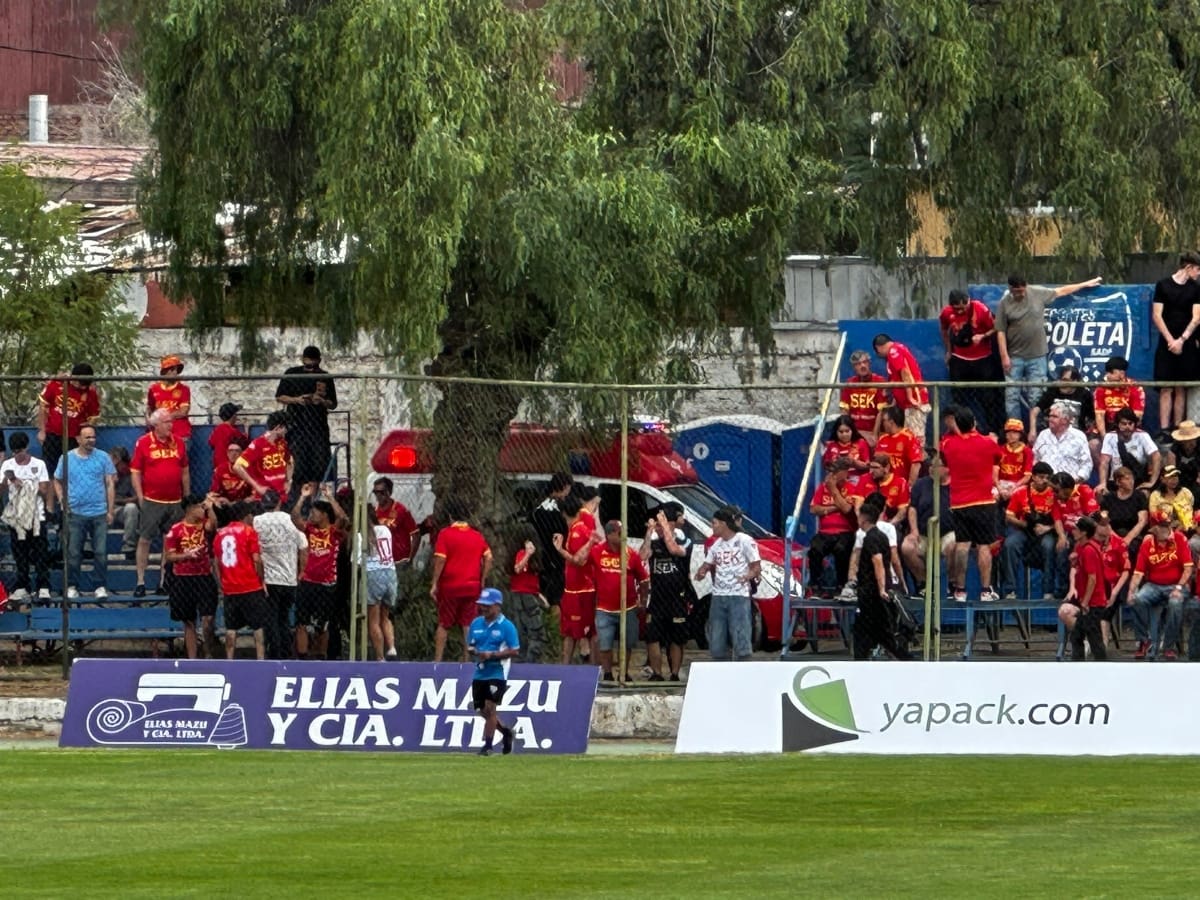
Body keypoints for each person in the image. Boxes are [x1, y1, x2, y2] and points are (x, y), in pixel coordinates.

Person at [994, 273, 1103, 420]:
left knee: (1036, 396)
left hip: (1037, 356)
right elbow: (1000, 331)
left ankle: (1037, 430)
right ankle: (1015, 431)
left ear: (1026, 286)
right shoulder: (1004, 303)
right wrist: (1004, 356)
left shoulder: (1037, 292)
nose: (1020, 293)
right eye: (1017, 291)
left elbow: (1061, 291)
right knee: (1012, 396)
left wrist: (1084, 284)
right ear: (1010, 288)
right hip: (1014, 356)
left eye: (1022, 290)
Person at [939, 407, 1001, 602]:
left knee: (962, 545)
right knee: (984, 546)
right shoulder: (987, 443)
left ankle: (960, 590)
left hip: (960, 502)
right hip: (983, 501)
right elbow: (997, 457)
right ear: (973, 423)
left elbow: (945, 460)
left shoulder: (947, 444)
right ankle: (985, 590)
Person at [131, 408, 190, 597]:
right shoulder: (144, 443)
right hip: (152, 499)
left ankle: (164, 580)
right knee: (145, 539)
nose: (170, 425)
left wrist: (186, 496)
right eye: (166, 422)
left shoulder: (178, 443)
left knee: (169, 541)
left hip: (175, 500)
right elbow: (136, 471)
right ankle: (141, 581)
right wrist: (140, 496)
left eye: (171, 421)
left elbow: (185, 471)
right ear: (156, 425)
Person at [52, 424, 115, 599]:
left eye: (93, 437)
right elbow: (56, 480)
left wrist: (110, 510)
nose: (91, 440)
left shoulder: (103, 458)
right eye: (87, 437)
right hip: (75, 513)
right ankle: (72, 585)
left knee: (101, 552)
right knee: (73, 552)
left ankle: (100, 586)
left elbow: (110, 484)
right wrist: (62, 500)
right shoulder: (66, 458)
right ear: (78, 439)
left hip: (99, 512)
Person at [694, 504, 761, 661]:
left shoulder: (744, 541)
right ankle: (720, 662)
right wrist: (702, 571)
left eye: (714, 523)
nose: (713, 526)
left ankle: (742, 663)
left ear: (724, 524)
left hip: (738, 595)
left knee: (740, 633)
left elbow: (756, 566)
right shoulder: (716, 544)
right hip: (719, 595)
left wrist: (747, 576)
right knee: (717, 634)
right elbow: (707, 564)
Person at [430, 497, 492, 663]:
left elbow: (441, 559)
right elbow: (489, 557)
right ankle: (467, 661)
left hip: (450, 586)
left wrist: (435, 582)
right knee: (468, 624)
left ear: (450, 515)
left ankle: (437, 661)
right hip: (472, 586)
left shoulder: (445, 534)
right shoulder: (477, 536)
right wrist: (483, 579)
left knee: (444, 623)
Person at [291, 483, 349, 661]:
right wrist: (302, 497)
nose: (312, 515)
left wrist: (330, 497)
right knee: (301, 623)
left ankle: (321, 657)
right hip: (308, 582)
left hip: (327, 584)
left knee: (322, 625)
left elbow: (343, 518)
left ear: (324, 515)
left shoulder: (333, 532)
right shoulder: (310, 530)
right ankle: (302, 657)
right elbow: (295, 518)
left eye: (315, 512)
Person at [1128, 510, 1193, 661]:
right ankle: (1144, 641)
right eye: (1161, 526)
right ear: (1153, 527)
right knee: (1137, 599)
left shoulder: (1179, 539)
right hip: (1153, 585)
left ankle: (1168, 647)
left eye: (1167, 525)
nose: (1166, 529)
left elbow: (1188, 568)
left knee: (1175, 603)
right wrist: (1131, 591)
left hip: (1176, 585)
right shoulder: (1147, 544)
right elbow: (1138, 573)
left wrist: (1178, 587)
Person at [589, 520, 650, 682]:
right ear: (609, 535)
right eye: (619, 533)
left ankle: (624, 672)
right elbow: (581, 563)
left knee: (628, 643)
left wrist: (643, 602)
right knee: (605, 644)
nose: (624, 536)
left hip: (628, 608)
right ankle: (607, 674)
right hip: (604, 609)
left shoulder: (631, 554)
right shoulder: (597, 552)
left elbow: (644, 579)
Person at [852, 502, 913, 660]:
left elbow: (878, 562)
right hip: (872, 592)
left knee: (875, 630)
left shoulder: (872, 538)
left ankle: (906, 659)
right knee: (873, 631)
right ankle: (862, 657)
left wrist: (881, 589)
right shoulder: (880, 536)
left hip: (871, 592)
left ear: (863, 519)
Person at [640, 502, 693, 682]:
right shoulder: (654, 538)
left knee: (676, 639)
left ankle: (675, 674)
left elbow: (673, 549)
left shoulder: (684, 538)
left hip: (677, 597)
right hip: (657, 597)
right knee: (652, 636)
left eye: (664, 520)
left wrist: (664, 526)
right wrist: (649, 533)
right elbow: (643, 555)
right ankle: (657, 673)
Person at [253, 488, 308, 659]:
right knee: (283, 619)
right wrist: (301, 572)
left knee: (271, 619)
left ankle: (274, 653)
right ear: (279, 502)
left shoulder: (256, 521)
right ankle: (285, 653)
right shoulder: (289, 520)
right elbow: (304, 547)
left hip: (268, 578)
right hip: (289, 577)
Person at [275, 345, 337, 495]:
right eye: (307, 364)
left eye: (314, 365)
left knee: (317, 467)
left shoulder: (325, 376)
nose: (310, 368)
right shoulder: (292, 373)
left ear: (319, 361)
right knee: (298, 466)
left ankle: (313, 502)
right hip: (297, 428)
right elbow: (279, 396)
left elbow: (333, 404)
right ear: (302, 360)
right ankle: (297, 499)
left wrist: (321, 401)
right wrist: (297, 400)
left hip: (318, 429)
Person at [939, 288, 1002, 434]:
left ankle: (992, 431)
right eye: (957, 309)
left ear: (968, 301)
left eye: (963, 308)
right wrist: (949, 350)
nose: (960, 311)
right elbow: (944, 329)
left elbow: (996, 327)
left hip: (982, 359)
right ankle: (960, 431)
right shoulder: (946, 313)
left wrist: (983, 336)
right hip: (960, 360)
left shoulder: (980, 309)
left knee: (988, 399)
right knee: (958, 399)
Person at [163, 494, 218, 659]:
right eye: (199, 507)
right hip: (183, 578)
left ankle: (208, 653)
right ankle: (192, 658)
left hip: (204, 576)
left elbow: (213, 525)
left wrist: (210, 508)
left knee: (208, 618)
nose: (202, 510)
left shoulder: (203, 525)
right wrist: (186, 555)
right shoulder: (176, 530)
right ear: (190, 509)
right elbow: (170, 557)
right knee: (188, 621)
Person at [1, 432, 53, 603]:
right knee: (19, 552)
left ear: (27, 448)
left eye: (20, 451)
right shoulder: (7, 465)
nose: (18, 455)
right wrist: (7, 482)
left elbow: (44, 490)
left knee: (40, 551)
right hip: (17, 515)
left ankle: (43, 586)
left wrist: (25, 484)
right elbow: (1, 489)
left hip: (36, 513)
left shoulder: (39, 464)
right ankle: (22, 586)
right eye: (15, 452)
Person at [213, 500, 270, 660]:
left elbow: (216, 562)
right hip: (250, 586)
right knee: (258, 627)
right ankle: (260, 660)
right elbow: (257, 560)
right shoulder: (248, 532)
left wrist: (221, 582)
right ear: (246, 516)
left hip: (230, 588)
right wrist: (262, 581)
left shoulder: (220, 533)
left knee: (231, 628)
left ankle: (230, 660)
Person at [1151, 251, 1200, 435]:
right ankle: (1164, 429)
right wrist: (1171, 340)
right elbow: (1157, 315)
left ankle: (1178, 428)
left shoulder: (1196, 289)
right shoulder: (1162, 285)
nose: (1198, 273)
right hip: (1166, 343)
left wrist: (1182, 340)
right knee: (1165, 387)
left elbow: (1196, 317)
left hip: (1186, 343)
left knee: (1181, 388)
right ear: (1188, 267)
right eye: (1197, 269)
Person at [467, 588, 518, 756]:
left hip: (498, 672)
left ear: (497, 606)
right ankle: (505, 732)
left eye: (488, 605)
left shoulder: (507, 626)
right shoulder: (476, 624)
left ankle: (487, 746)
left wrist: (492, 655)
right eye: (482, 605)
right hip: (480, 672)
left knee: (490, 708)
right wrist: (476, 652)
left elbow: (514, 650)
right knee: (481, 710)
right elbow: (470, 646)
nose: (484, 608)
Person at [1000, 462, 1060, 600]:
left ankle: (1048, 591)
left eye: (1047, 477)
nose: (1044, 480)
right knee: (1010, 544)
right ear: (1033, 477)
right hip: (1025, 529)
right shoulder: (1021, 492)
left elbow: (1061, 518)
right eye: (1041, 477)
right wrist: (1022, 523)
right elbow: (1009, 515)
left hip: (1048, 530)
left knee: (1049, 546)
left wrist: (1047, 528)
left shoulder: (1054, 493)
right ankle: (1010, 590)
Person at [553, 493, 600, 664]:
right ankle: (570, 667)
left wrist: (560, 550)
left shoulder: (578, 532)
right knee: (572, 631)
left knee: (580, 631)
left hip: (580, 590)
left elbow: (579, 560)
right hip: (575, 588)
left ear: (563, 512)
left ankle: (589, 669)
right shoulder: (576, 529)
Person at [902, 453, 956, 595]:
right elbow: (912, 508)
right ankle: (924, 584)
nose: (932, 469)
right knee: (907, 547)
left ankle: (953, 584)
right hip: (924, 533)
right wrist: (914, 531)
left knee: (954, 545)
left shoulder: (956, 485)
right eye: (931, 465)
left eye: (936, 466)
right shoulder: (921, 484)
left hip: (947, 533)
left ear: (947, 468)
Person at [36, 362, 101, 477]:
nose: (82, 387)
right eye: (80, 384)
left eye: (85, 385)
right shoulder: (56, 384)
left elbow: (93, 418)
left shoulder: (90, 393)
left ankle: (69, 494)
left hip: (73, 438)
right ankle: (52, 495)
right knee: (50, 470)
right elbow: (43, 407)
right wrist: (42, 431)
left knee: (72, 471)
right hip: (53, 435)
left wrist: (82, 434)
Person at [1059, 516, 1107, 661]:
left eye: (1076, 529)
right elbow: (1081, 570)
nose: (1073, 531)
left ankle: (1100, 664)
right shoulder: (1080, 547)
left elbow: (1093, 578)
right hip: (1088, 601)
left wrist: (1085, 602)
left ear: (1084, 532)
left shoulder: (1089, 550)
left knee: (1092, 637)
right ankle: (1081, 664)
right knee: (1081, 635)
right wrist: (1074, 562)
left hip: (1094, 602)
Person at [808, 458, 857, 593]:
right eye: (831, 472)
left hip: (845, 531)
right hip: (825, 532)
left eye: (835, 472)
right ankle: (815, 586)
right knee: (815, 549)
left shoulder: (851, 488)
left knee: (841, 549)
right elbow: (813, 509)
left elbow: (847, 509)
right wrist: (835, 507)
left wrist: (833, 489)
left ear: (844, 473)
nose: (831, 476)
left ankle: (841, 585)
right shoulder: (822, 488)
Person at [529, 472, 573, 615]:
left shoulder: (538, 507)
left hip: (539, 556)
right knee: (556, 599)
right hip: (557, 557)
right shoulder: (562, 509)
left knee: (541, 595)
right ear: (565, 487)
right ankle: (556, 630)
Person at [872, 333, 930, 442]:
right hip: (906, 404)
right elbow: (897, 378)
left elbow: (905, 372)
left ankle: (921, 458)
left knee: (915, 438)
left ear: (879, 347)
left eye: (878, 352)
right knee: (908, 437)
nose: (880, 355)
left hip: (914, 402)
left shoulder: (894, 352)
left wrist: (910, 396)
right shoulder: (897, 349)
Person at [507, 523, 547, 665]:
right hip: (524, 596)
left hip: (526, 593)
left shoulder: (529, 557)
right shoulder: (522, 554)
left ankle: (522, 659)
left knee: (522, 629)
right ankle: (528, 661)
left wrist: (539, 595)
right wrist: (528, 554)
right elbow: (518, 569)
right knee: (533, 630)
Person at [364, 504, 399, 660]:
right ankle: (391, 648)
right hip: (390, 572)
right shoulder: (385, 530)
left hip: (373, 573)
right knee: (385, 616)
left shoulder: (362, 535)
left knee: (373, 620)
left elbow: (357, 561)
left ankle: (380, 657)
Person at [1097, 407, 1161, 493]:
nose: (1127, 427)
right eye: (1124, 424)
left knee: (1145, 493)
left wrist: (1152, 481)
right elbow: (1104, 462)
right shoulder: (1110, 437)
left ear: (1134, 424)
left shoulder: (1142, 435)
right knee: (1101, 493)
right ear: (1118, 424)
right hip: (1116, 481)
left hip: (1137, 480)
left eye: (1130, 423)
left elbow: (1156, 456)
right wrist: (1102, 483)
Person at [1094, 513, 1132, 650]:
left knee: (1105, 610)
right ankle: (1090, 641)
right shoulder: (1088, 543)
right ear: (1095, 527)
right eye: (1103, 525)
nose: (1108, 527)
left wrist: (1115, 592)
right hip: (1093, 586)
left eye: (1108, 524)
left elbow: (1126, 571)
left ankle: (1101, 647)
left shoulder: (1118, 543)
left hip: (1115, 585)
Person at [235, 411, 292, 501]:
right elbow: (237, 466)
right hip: (266, 497)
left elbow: (289, 462)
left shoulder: (282, 443)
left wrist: (288, 481)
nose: (287, 431)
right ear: (278, 428)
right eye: (286, 427)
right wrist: (257, 487)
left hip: (282, 495)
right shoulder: (258, 444)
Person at [1029, 365, 1096, 438]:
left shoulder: (1084, 394)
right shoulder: (1052, 391)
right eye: (1060, 380)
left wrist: (1089, 434)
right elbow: (1034, 411)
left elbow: (1093, 418)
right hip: (1053, 434)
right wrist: (1032, 431)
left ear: (1075, 381)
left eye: (1066, 380)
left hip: (1076, 435)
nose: (1062, 383)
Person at [1032, 401, 1093, 482]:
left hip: (1070, 484)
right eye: (1050, 416)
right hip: (1045, 483)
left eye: (1054, 416)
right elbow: (1034, 458)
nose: (1050, 419)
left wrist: (1077, 480)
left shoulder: (1079, 436)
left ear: (1065, 420)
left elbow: (1087, 463)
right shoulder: (1043, 435)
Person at [839, 350, 888, 447]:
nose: (862, 366)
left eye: (865, 362)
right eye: (858, 364)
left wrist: (874, 435)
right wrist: (849, 433)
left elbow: (881, 411)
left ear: (869, 363)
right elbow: (844, 411)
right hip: (854, 431)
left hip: (872, 430)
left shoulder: (879, 381)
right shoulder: (850, 383)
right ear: (854, 367)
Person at [1100, 467, 1148, 560]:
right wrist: (1115, 538)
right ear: (1118, 482)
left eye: (1132, 478)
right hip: (1112, 534)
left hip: (1133, 535)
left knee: (1131, 548)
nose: (1131, 482)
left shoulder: (1139, 496)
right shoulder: (1108, 498)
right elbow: (1104, 520)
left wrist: (1127, 539)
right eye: (1127, 479)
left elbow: (1142, 521)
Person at [1093, 357, 1146, 443]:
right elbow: (1100, 416)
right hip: (1108, 427)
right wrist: (1105, 438)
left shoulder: (1135, 387)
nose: (1108, 380)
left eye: (1114, 380)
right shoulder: (1100, 389)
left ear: (1122, 374)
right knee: (1093, 444)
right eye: (1108, 377)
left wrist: (1125, 431)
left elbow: (1138, 416)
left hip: (1128, 426)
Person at [851, 453, 909, 528]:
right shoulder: (864, 479)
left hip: (891, 523)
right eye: (870, 467)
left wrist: (888, 526)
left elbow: (902, 512)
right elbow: (857, 507)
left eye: (875, 467)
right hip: (867, 524)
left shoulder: (900, 482)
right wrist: (865, 524)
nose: (871, 471)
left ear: (886, 468)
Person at [371, 477, 418, 569]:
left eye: (382, 492)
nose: (378, 495)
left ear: (389, 492)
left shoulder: (401, 510)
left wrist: (410, 559)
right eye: (376, 492)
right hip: (382, 563)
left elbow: (416, 534)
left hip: (399, 562)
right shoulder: (374, 513)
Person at [146, 354, 192, 448]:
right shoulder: (154, 389)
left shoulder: (183, 389)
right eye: (172, 369)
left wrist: (163, 418)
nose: (175, 372)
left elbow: (183, 411)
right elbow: (149, 408)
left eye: (176, 370)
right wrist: (148, 419)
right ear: (165, 371)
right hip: (159, 434)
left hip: (180, 433)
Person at [874, 406, 923, 486]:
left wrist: (910, 486)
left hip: (900, 487)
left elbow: (916, 464)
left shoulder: (909, 438)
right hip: (882, 485)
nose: (882, 423)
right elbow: (876, 461)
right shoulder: (882, 438)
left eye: (884, 420)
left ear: (891, 422)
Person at [109, 446, 139, 561]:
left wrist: (117, 501)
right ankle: (88, 547)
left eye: (117, 464)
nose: (115, 468)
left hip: (122, 510)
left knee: (131, 508)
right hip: (105, 509)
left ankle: (129, 547)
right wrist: (110, 482)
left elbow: (137, 498)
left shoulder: (133, 474)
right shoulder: (103, 473)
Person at [996, 419, 1033, 504]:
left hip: (1018, 483)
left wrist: (1014, 487)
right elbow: (994, 473)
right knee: (993, 496)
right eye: (1008, 432)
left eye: (1015, 432)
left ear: (1020, 435)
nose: (1011, 435)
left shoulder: (1027, 451)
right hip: (1001, 483)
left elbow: (1027, 477)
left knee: (1018, 495)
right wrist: (999, 487)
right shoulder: (1000, 449)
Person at [211, 437, 253, 504]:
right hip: (226, 505)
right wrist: (220, 499)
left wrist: (248, 500)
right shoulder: (220, 469)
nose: (233, 454)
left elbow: (256, 493)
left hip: (245, 504)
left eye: (237, 451)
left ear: (243, 453)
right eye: (230, 451)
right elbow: (213, 493)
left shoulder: (250, 469)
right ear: (227, 453)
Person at [1166, 420, 1200, 498]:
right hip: (1180, 479)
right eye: (1188, 441)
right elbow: (1171, 472)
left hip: (1196, 480)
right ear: (1182, 441)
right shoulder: (1173, 450)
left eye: (1193, 439)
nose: (1192, 443)